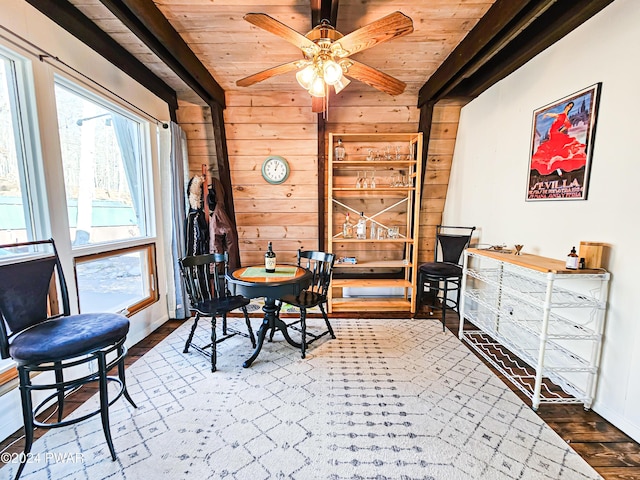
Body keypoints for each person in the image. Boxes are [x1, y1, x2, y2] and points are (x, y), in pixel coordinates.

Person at [530, 101, 587, 176]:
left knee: (555, 151)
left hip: (554, 133)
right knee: (554, 151)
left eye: (570, 107)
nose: (569, 108)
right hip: (553, 133)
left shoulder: (564, 116)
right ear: (566, 106)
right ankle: (557, 169)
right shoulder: (563, 116)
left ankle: (558, 169)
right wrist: (547, 115)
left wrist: (559, 130)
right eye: (568, 106)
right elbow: (561, 121)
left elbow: (565, 124)